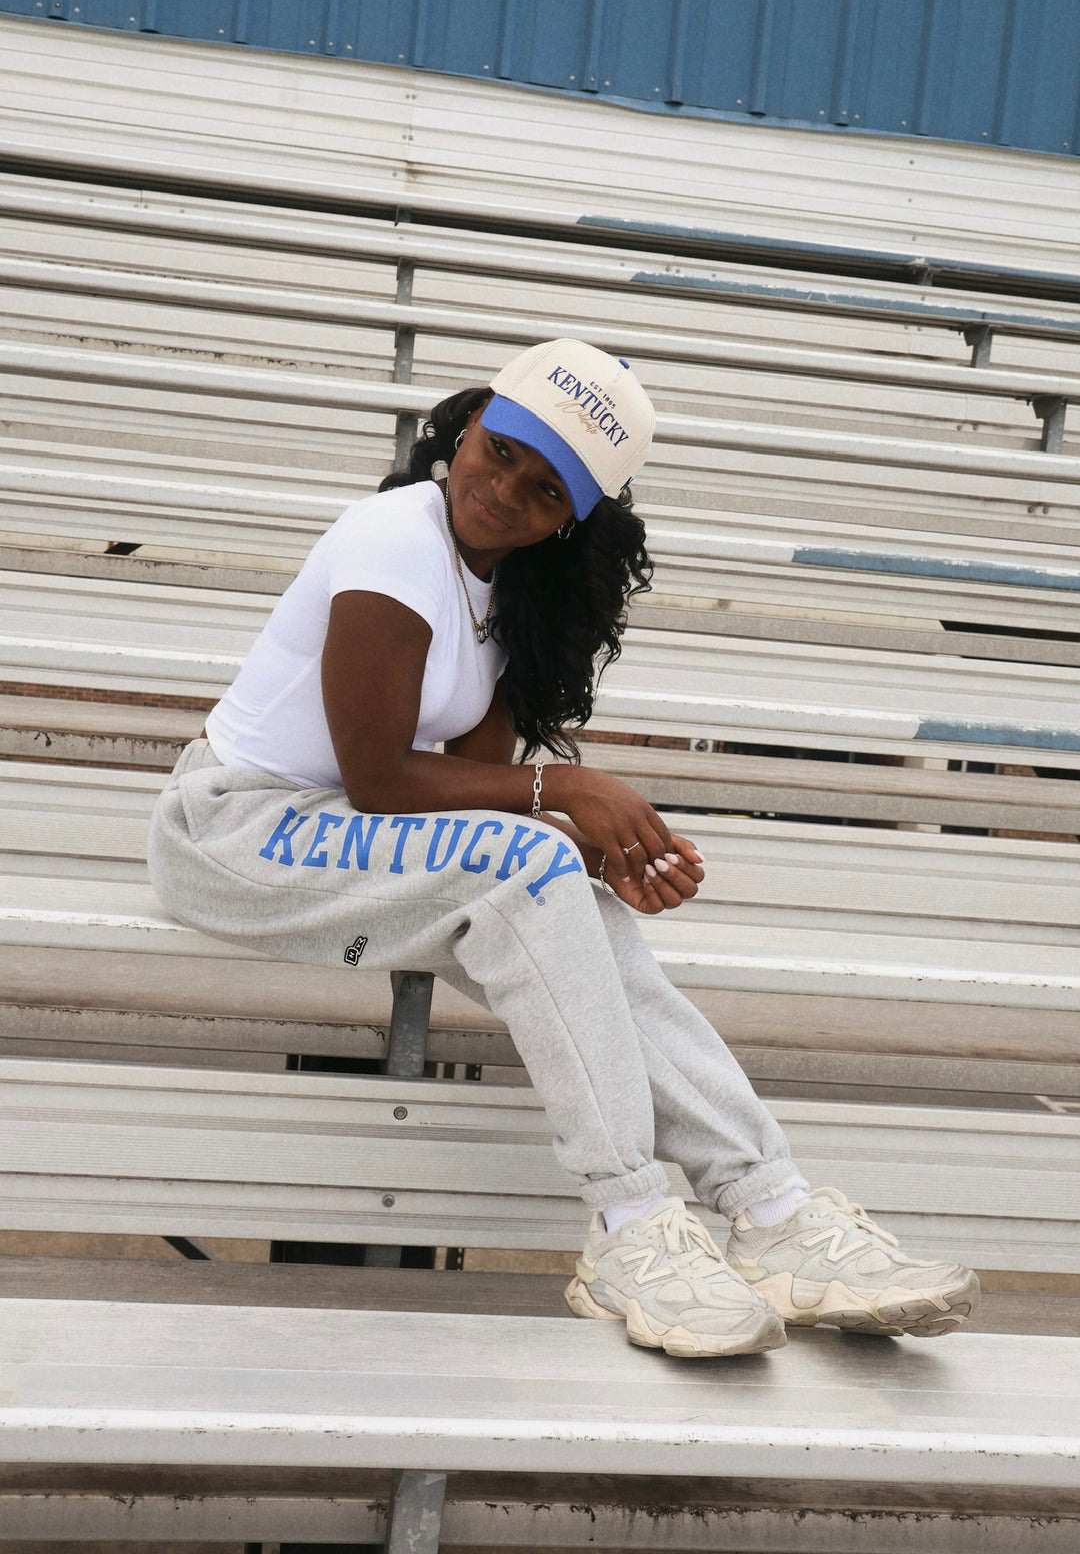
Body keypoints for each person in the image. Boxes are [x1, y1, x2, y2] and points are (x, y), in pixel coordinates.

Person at [148, 338, 979, 1357]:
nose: (503, 492)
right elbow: (380, 780)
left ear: (570, 519)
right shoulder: (393, 537)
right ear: (466, 428)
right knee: (538, 865)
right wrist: (573, 794)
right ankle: (631, 1223)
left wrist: (588, 851)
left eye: (544, 491)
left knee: (575, 898)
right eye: (498, 452)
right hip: (232, 831)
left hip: (341, 839)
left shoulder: (509, 590)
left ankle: (771, 1207)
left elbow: (472, 811)